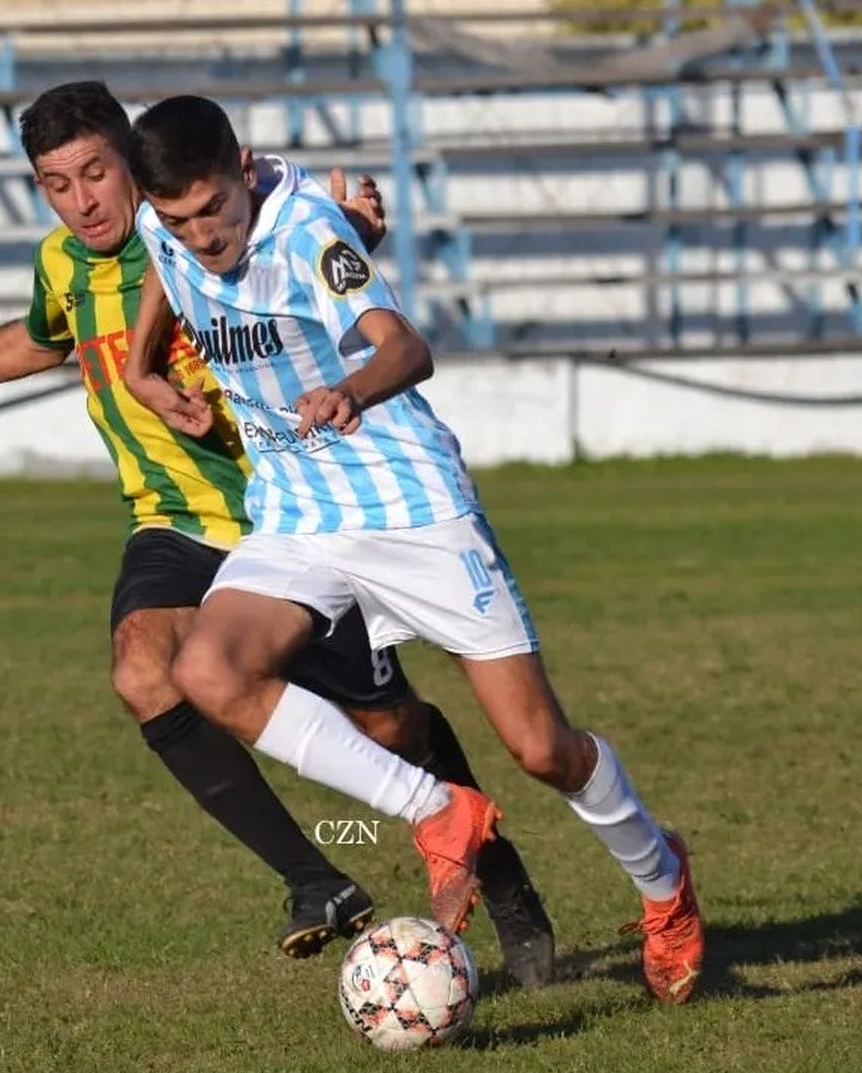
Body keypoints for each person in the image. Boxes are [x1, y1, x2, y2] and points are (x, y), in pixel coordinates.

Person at [0, 81, 554, 984]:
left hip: (289, 522)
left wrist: (352, 238)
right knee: (140, 667)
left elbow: (304, 272)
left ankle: (507, 888)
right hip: (171, 522)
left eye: (95, 173)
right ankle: (316, 879)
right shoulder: (64, 265)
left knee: (392, 726)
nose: (81, 201)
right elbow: (48, 339)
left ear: (136, 163)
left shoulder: (204, 246)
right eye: (54, 184)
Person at [123, 94, 703, 1003]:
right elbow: (166, 266)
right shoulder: (168, 229)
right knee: (209, 672)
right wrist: (140, 364)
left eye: (215, 213)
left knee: (542, 747)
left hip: (410, 507)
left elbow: (408, 345)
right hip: (298, 511)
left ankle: (664, 884)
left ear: (245, 168)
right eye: (179, 219)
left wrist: (353, 386)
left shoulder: (312, 231)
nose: (202, 238)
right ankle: (438, 808)